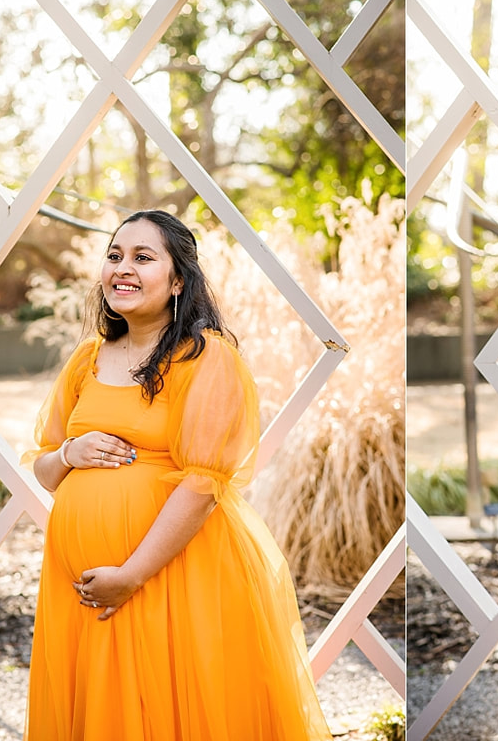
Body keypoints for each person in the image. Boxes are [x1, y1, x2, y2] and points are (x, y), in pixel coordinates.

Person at [22, 210, 331, 740]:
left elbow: (204, 484)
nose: (123, 268)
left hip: (171, 579)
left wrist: (131, 575)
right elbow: (46, 469)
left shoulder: (207, 359)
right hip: (82, 591)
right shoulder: (86, 360)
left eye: (144, 258)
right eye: (115, 255)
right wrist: (71, 451)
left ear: (179, 280)